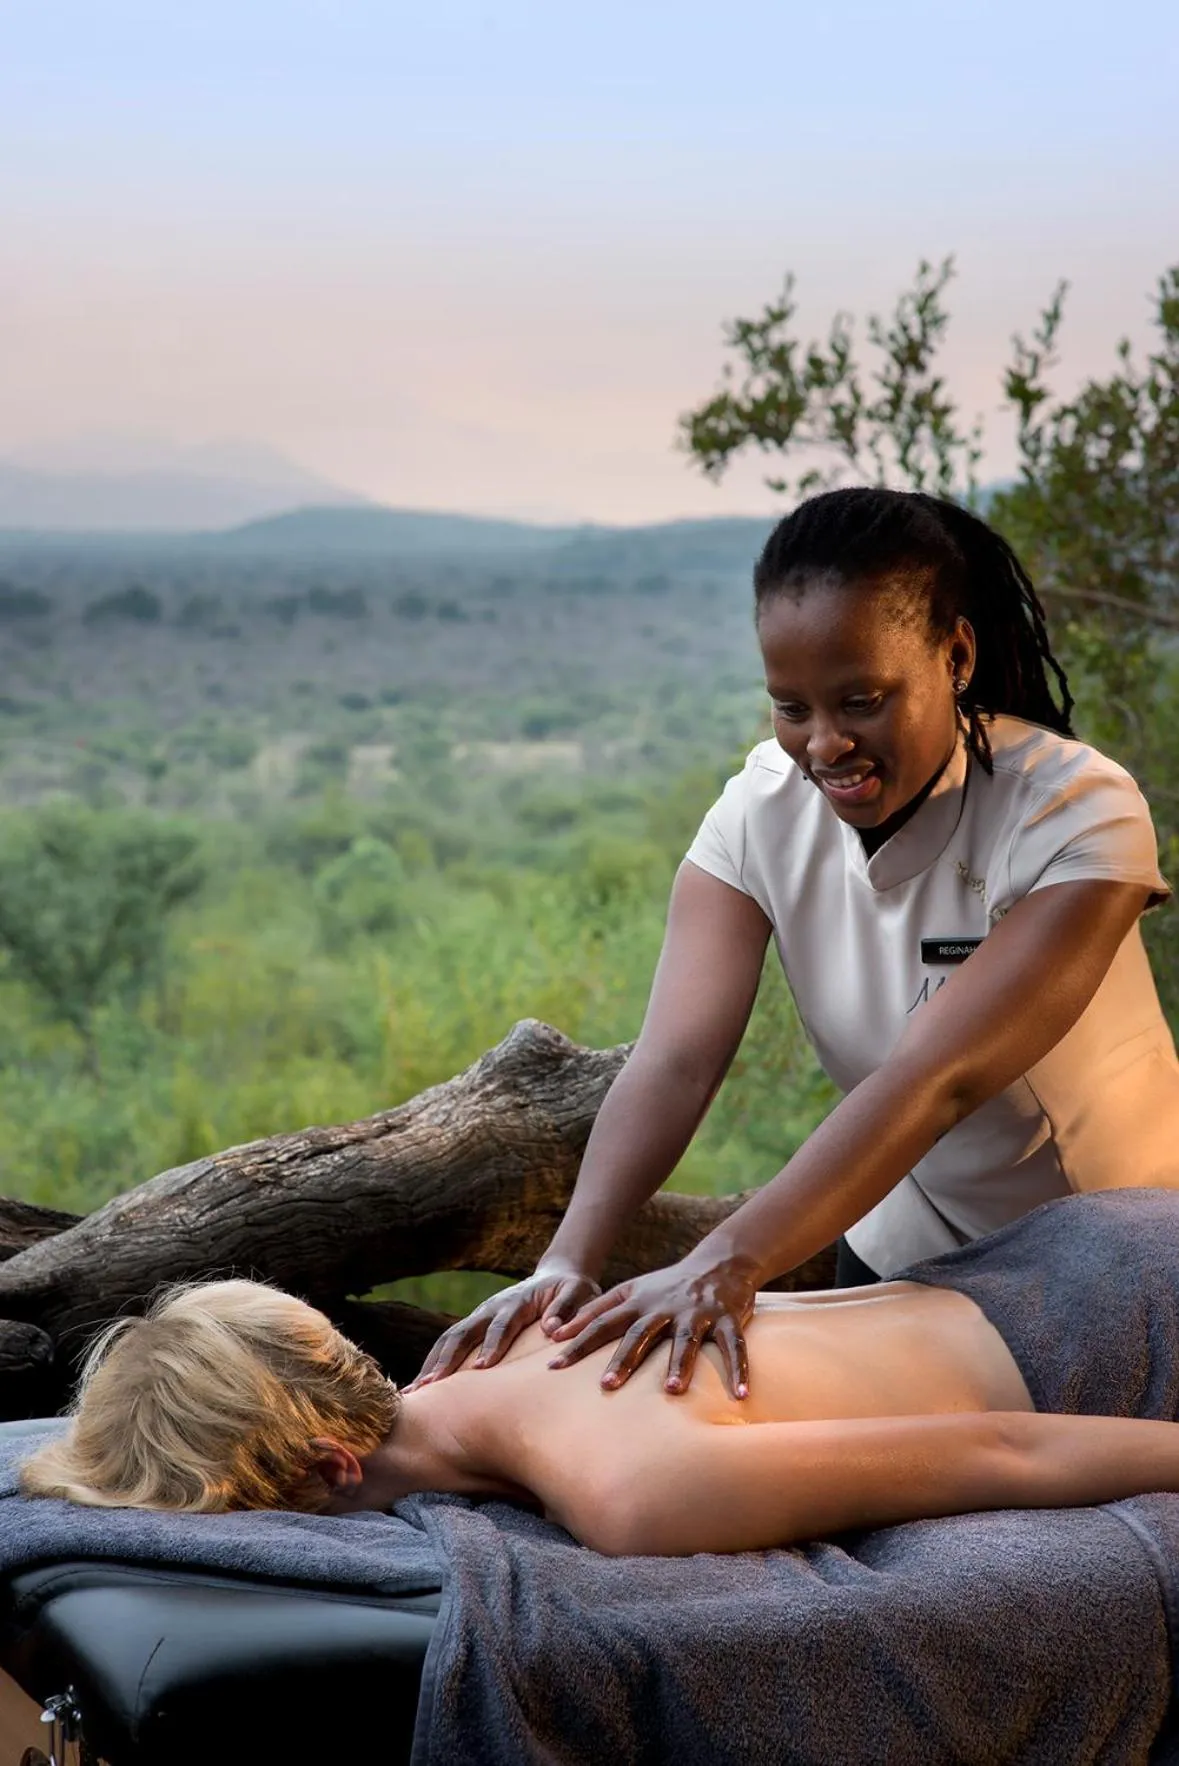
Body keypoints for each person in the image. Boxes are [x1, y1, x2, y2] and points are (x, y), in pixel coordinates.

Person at [415, 486, 1179, 1402]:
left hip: (1115, 1254)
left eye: (861, 701)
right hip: (908, 1242)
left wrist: (728, 1259)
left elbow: (937, 1077)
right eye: (790, 707)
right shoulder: (757, 812)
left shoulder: (1073, 810)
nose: (823, 745)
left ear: (956, 655)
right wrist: (565, 1261)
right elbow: (675, 1062)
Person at [20, 1191, 1179, 1556]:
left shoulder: (627, 1488)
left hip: (1116, 1333)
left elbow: (1003, 1447)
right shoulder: (504, 1339)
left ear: (331, 1462)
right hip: (1058, 1250)